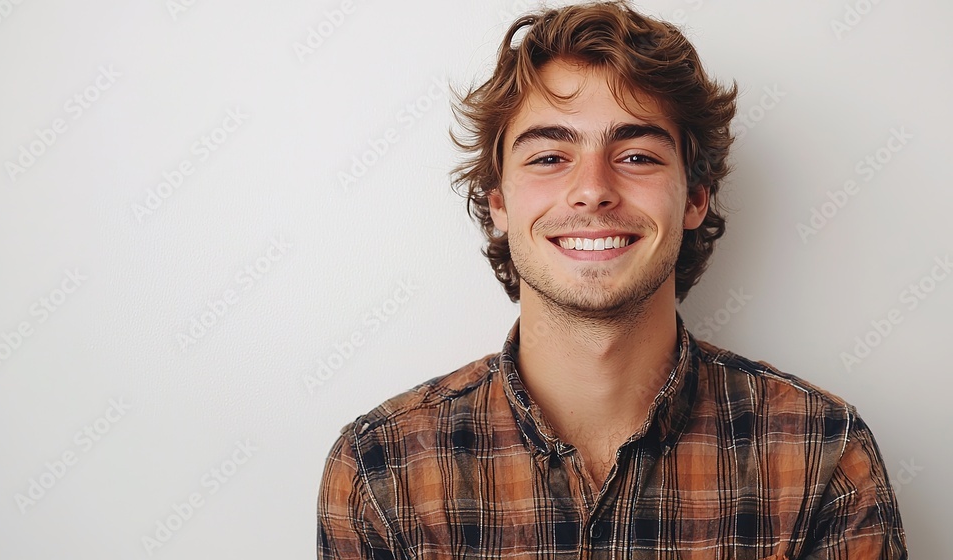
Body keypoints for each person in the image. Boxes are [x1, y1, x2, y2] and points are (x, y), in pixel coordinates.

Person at [317, 1, 909, 558]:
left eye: (637, 156)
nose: (593, 188)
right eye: (549, 157)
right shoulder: (382, 470)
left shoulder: (822, 454)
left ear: (696, 197)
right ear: (498, 202)